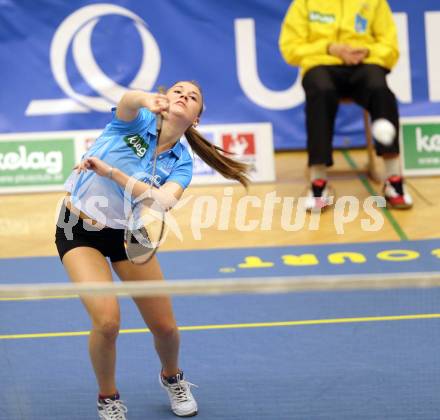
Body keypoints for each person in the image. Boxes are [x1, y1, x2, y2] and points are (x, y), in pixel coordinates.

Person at [55, 81, 250, 420]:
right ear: (164, 98)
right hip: (78, 228)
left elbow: (161, 201)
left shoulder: (182, 164)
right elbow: (128, 100)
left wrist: (112, 173)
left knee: (165, 328)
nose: (184, 97)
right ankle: (108, 397)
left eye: (193, 98)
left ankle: (172, 377)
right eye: (178, 91)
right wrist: (148, 99)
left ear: (196, 119)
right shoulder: (136, 120)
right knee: (107, 322)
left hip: (129, 233)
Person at [279, 0, 413, 211]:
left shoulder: (374, 2)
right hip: (321, 64)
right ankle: (318, 181)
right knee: (321, 91)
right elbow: (290, 47)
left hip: (364, 65)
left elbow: (390, 46)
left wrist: (367, 52)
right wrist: (329, 48)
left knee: (381, 90)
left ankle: (393, 178)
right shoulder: (304, 3)